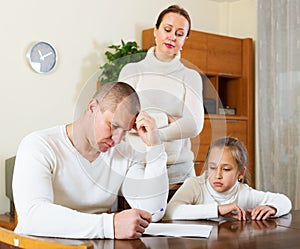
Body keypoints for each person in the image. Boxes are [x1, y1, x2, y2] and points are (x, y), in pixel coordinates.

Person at [12, 82, 169, 239]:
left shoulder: (124, 154)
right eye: (113, 125)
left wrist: (155, 147)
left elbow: (153, 212)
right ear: (92, 108)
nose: (117, 139)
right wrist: (109, 225)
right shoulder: (39, 145)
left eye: (125, 131)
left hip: (92, 244)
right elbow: (32, 217)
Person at [118, 5, 204, 185]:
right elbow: (123, 118)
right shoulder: (132, 71)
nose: (172, 36)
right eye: (167, 29)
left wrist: (152, 133)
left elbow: (194, 124)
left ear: (184, 40)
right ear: (155, 31)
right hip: (138, 168)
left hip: (180, 172)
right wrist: (167, 119)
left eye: (180, 34)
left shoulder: (191, 77)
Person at [164, 136, 292, 221]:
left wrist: (272, 207)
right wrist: (218, 210)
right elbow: (170, 212)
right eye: (213, 168)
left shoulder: (244, 193)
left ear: (240, 173)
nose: (218, 175)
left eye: (226, 169)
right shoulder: (195, 185)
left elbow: (284, 201)